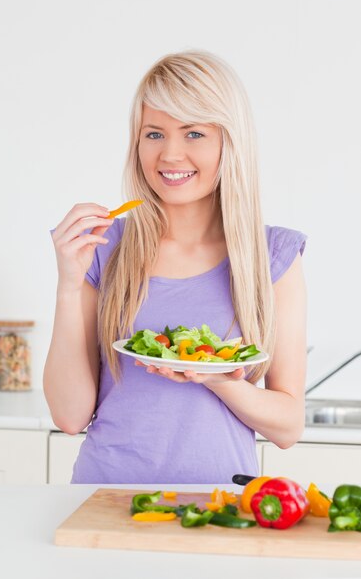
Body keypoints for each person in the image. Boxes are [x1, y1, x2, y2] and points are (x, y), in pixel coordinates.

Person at [44, 50, 307, 484]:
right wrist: (69, 286)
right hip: (104, 498)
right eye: (153, 134)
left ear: (229, 141)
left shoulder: (273, 255)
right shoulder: (104, 248)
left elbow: (288, 425)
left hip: (221, 506)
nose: (170, 154)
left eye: (194, 133)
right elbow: (70, 417)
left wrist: (215, 378)